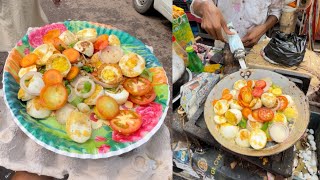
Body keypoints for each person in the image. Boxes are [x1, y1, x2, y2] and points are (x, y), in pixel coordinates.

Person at [190, 0, 283, 48]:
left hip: (257, 47)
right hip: (224, 45)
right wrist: (204, 5)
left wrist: (264, 27)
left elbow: (276, 11)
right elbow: (195, 5)